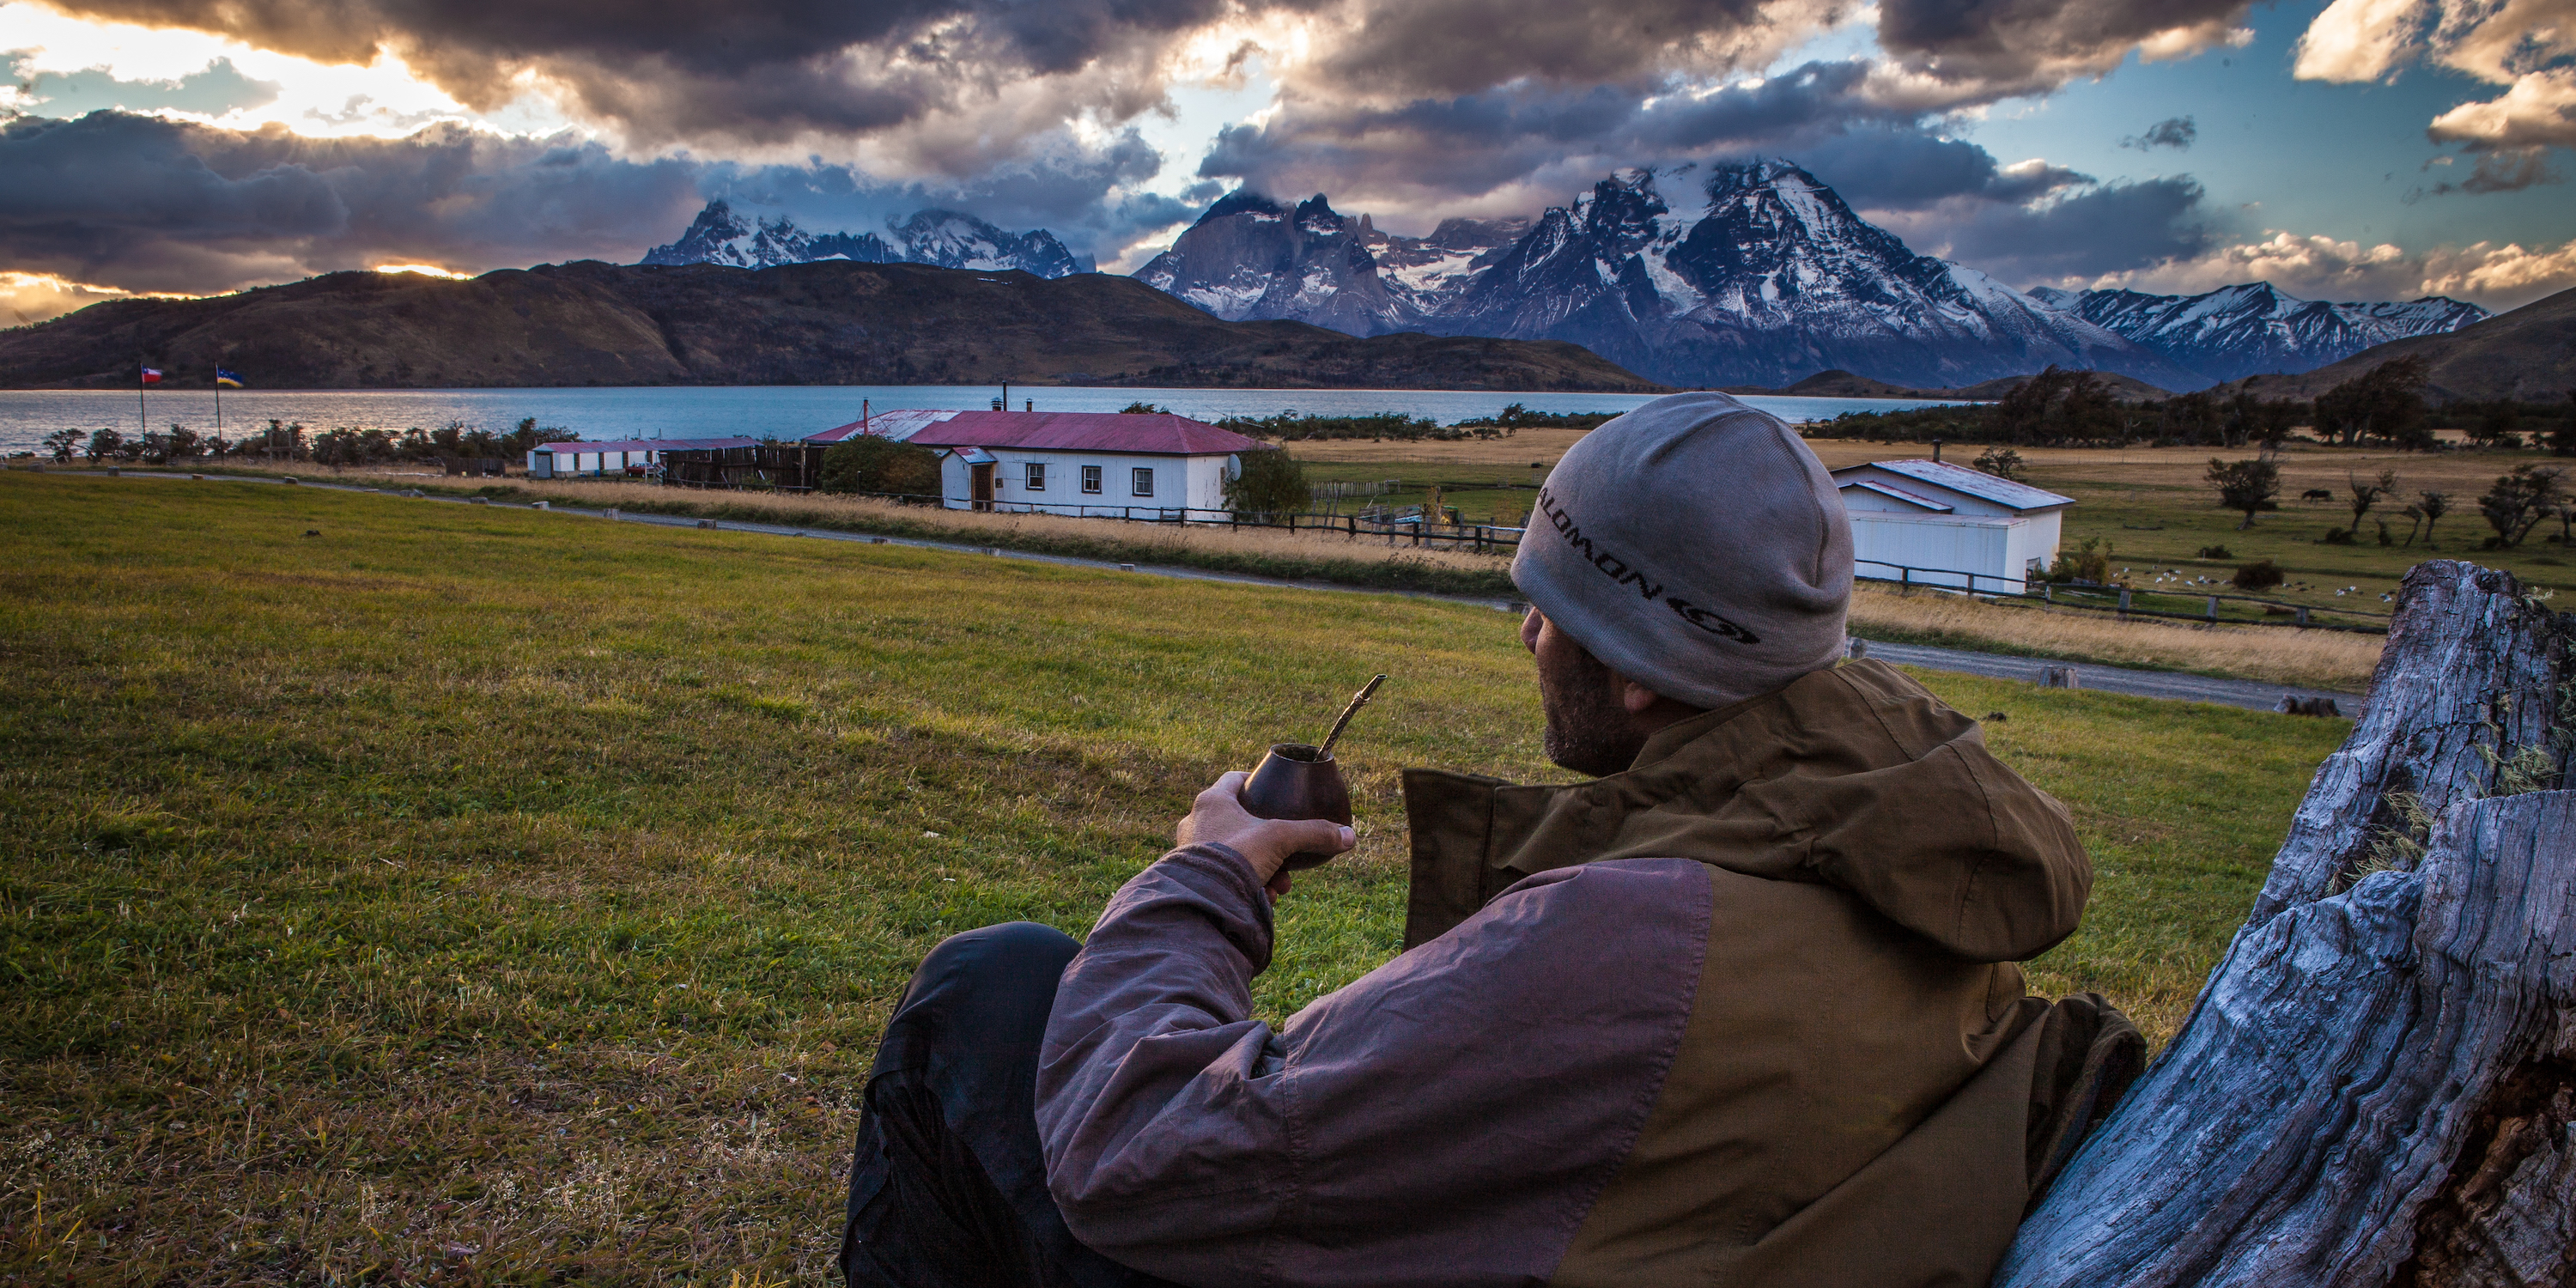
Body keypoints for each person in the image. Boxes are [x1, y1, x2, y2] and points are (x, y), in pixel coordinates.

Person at [841, 392, 2141, 1288]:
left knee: (990, 987)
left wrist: (1210, 873)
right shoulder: (1908, 830)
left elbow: (1141, 1153)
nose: (1526, 637)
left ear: (1640, 669)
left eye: (1546, 607)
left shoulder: (1639, 938)